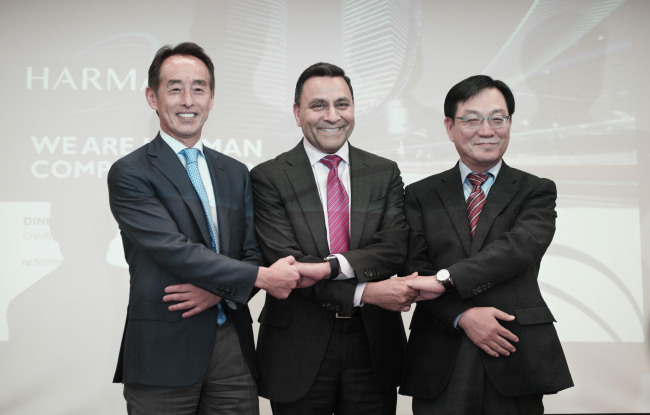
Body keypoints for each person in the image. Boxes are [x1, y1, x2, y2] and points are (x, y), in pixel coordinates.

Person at [107, 42, 305, 415]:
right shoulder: (130, 172)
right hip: (163, 350)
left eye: (198, 89)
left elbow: (252, 250)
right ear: (152, 97)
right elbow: (173, 248)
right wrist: (261, 278)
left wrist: (219, 291)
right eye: (174, 88)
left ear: (211, 98)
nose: (188, 100)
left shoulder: (235, 172)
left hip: (233, 348)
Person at [400, 75, 574, 415]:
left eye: (498, 119)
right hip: (440, 350)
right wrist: (462, 315)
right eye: (472, 120)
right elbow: (414, 270)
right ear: (450, 127)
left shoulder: (536, 190)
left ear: (509, 123)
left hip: (513, 348)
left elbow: (519, 249)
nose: (487, 130)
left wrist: (447, 279)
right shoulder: (419, 194)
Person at [250, 62, 416, 415]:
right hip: (298, 346)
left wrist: (332, 267)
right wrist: (365, 293)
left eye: (342, 104)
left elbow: (393, 248)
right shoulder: (268, 177)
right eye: (318, 105)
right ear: (297, 113)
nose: (332, 116)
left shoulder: (384, 172)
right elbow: (288, 264)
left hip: (373, 344)